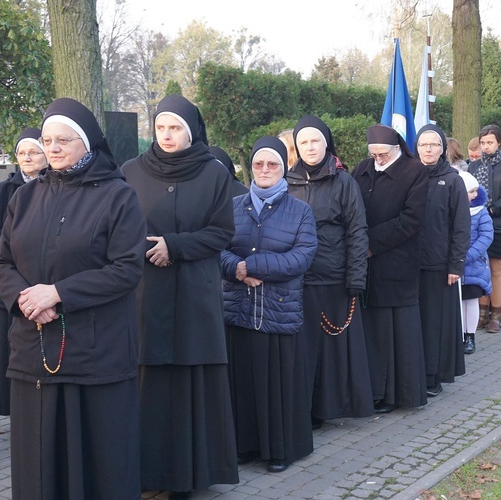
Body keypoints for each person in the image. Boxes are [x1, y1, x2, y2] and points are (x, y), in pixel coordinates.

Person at [0, 97, 146, 499]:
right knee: (37, 463)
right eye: (47, 140)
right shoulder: (23, 198)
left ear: (87, 142)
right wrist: (25, 299)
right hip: (31, 346)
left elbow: (127, 268)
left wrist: (58, 293)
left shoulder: (117, 196)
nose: (53, 148)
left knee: (97, 464)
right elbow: (1, 260)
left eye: (64, 139)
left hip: (95, 351)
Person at [122, 94, 238, 498]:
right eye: (161, 128)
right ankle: (144, 472)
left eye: (176, 128)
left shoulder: (213, 174)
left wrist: (176, 245)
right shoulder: (131, 172)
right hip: (144, 294)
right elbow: (117, 227)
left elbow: (223, 232)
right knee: (147, 381)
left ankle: (188, 476)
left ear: (191, 132)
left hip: (193, 294)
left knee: (189, 383)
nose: (167, 136)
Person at [222, 136, 318, 473]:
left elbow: (302, 257)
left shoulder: (301, 210)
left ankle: (280, 450)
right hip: (239, 307)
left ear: (283, 169)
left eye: (272, 164)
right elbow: (217, 248)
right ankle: (245, 446)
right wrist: (235, 268)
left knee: (278, 385)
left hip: (279, 310)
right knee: (244, 382)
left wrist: (253, 266)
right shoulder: (233, 206)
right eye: (259, 164)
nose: (265, 170)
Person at [285, 115, 374, 427]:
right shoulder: (286, 181)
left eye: (315, 141)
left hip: (333, 277)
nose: (310, 147)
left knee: (330, 351)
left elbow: (357, 231)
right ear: (296, 146)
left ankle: (327, 408)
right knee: (301, 349)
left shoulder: (343, 182)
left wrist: (356, 277)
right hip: (294, 279)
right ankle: (303, 407)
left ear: (326, 144)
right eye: (304, 142)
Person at [353, 124, 428, 414]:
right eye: (374, 155)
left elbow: (411, 219)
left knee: (396, 333)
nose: (378, 160)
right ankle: (373, 389)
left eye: (383, 155)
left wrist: (369, 242)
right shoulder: (362, 168)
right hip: (365, 262)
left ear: (396, 149)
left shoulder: (415, 171)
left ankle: (397, 393)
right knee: (374, 330)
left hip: (396, 261)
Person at [0, 128, 48, 416]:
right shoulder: (3, 190)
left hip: (46, 281)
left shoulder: (53, 186)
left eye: (33, 152)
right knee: (11, 349)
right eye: (22, 153)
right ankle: (16, 408)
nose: (27, 157)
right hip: (12, 284)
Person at [414, 124, 469, 397]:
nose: (428, 149)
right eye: (423, 144)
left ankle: (433, 375)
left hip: (440, 266)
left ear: (442, 149)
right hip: (410, 264)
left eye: (434, 144)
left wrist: (455, 265)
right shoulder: (409, 177)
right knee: (416, 322)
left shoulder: (453, 180)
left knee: (435, 323)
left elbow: (461, 227)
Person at [468, 124, 501, 333]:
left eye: (490, 142)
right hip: (475, 225)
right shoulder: (473, 166)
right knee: (480, 269)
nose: (486, 146)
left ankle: (496, 314)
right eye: (483, 143)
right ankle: (481, 312)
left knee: (497, 270)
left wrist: (493, 209)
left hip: (499, 224)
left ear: (499, 142)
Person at [458, 171, 493, 355]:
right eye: (470, 191)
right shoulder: (454, 209)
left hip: (473, 265)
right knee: (458, 302)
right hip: (456, 266)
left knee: (470, 302)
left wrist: (469, 255)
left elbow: (487, 235)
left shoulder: (481, 211)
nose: (475, 195)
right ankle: (459, 335)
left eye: (475, 191)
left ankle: (469, 335)